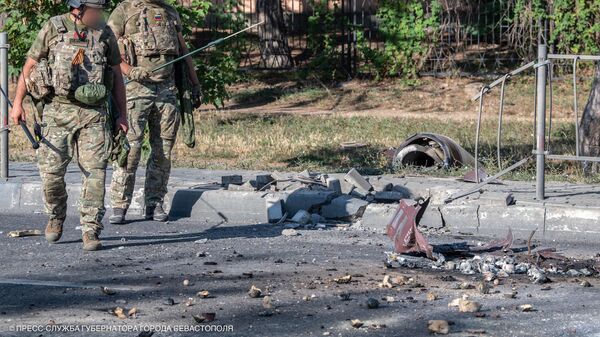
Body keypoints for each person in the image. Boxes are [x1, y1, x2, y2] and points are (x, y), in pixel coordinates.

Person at [9, 0, 128, 251]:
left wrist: (122, 116)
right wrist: (17, 104)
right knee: (51, 175)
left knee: (95, 173)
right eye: (94, 10)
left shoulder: (104, 33)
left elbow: (116, 75)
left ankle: (91, 228)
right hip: (57, 112)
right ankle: (56, 215)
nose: (99, 14)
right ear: (77, 9)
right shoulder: (53, 28)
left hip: (94, 114)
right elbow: (29, 66)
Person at [107, 0, 201, 224]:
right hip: (134, 90)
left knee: (163, 150)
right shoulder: (123, 11)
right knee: (130, 149)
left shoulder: (169, 11)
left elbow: (183, 49)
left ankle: (154, 202)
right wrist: (130, 70)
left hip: (166, 90)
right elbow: (108, 50)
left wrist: (194, 83)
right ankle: (120, 204)